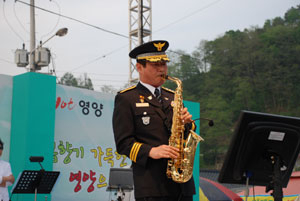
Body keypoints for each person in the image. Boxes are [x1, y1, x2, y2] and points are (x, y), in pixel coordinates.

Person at [112, 40, 197, 201]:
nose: (162, 69)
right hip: (152, 185)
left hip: (182, 184)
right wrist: (152, 151)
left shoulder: (173, 96)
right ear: (139, 67)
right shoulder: (126, 98)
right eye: (155, 64)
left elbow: (185, 136)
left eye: (164, 64)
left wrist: (188, 124)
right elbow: (123, 143)